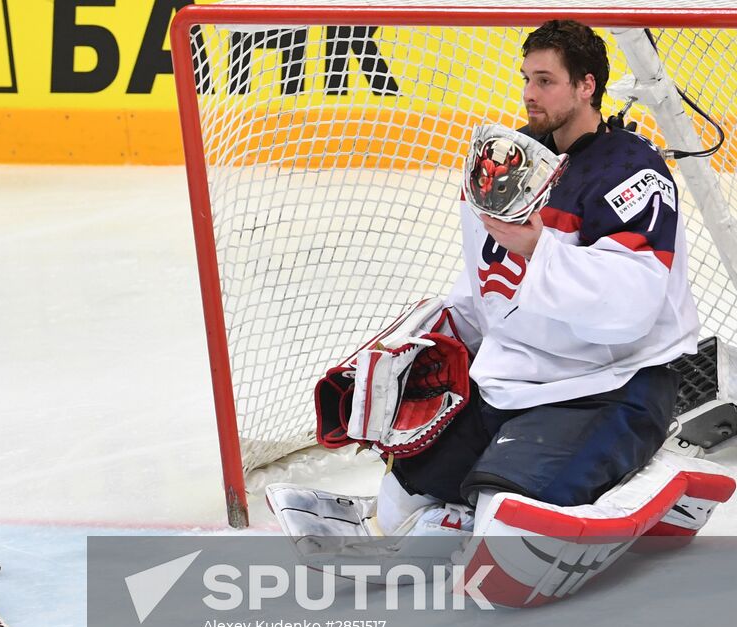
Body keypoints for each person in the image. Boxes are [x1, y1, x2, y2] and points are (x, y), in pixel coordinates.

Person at [273, 21, 702, 579]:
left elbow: (631, 307)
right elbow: (488, 286)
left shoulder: (630, 172)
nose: (529, 93)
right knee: (400, 500)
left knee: (505, 523)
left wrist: (539, 250)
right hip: (516, 379)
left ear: (586, 86)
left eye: (545, 80)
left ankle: (645, 485)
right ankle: (457, 522)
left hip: (610, 385)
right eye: (526, 78)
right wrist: (440, 337)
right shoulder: (509, 164)